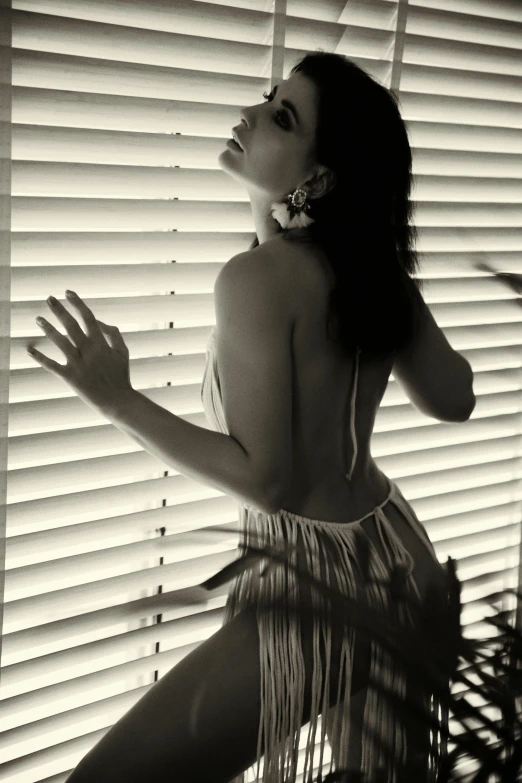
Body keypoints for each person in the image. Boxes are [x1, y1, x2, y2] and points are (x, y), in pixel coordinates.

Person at [66, 52, 473, 783]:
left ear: (321, 178)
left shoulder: (253, 282)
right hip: (402, 564)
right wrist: (271, 201)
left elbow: (268, 479)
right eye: (267, 98)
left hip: (322, 589)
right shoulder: (376, 279)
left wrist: (117, 399)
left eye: (282, 117)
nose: (252, 116)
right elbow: (456, 397)